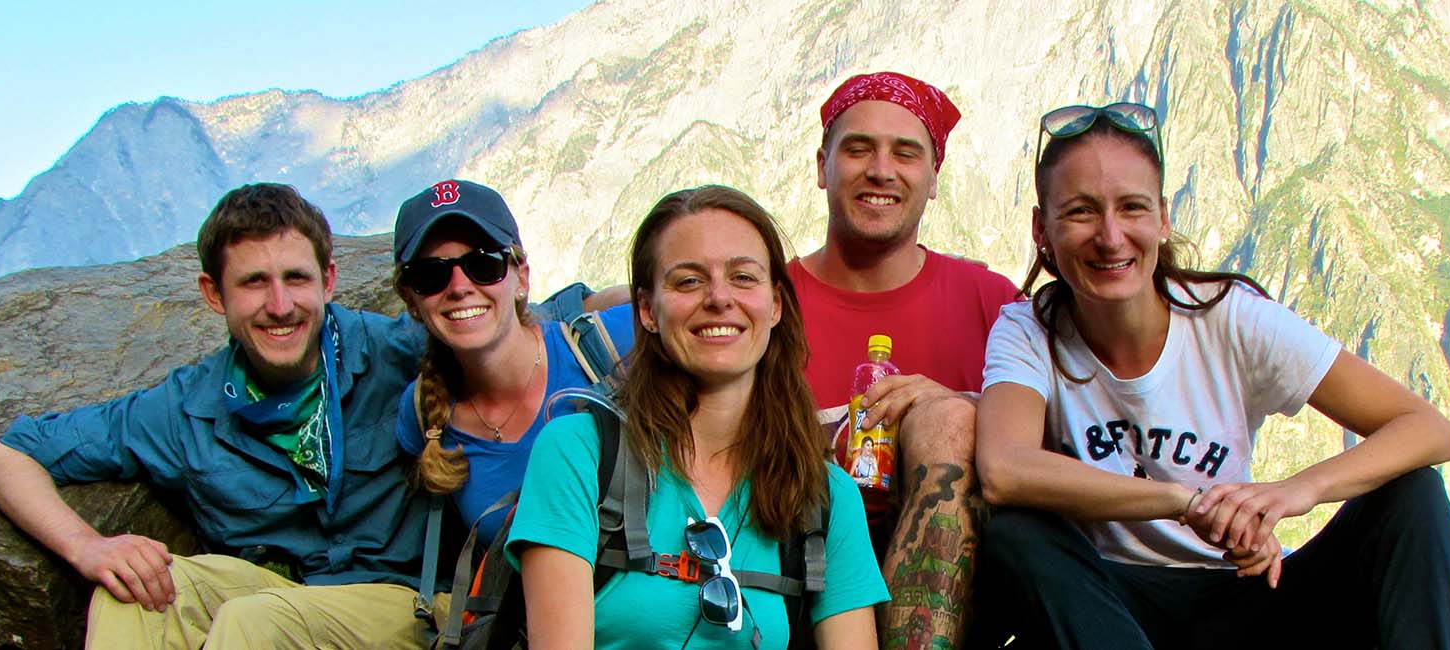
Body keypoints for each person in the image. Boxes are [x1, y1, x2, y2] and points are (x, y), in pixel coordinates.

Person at [970, 102, 1450, 648]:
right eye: (1081, 212)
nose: (1111, 237)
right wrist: (1187, 502)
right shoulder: (1028, 330)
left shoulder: (1228, 316)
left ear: (1163, 219)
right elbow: (1005, 467)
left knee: (1413, 491)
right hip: (1108, 607)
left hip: (1243, 595)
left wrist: (1292, 492)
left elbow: (1428, 430)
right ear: (1043, 229)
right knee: (1018, 532)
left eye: (1132, 208)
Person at [0, 183, 438, 648]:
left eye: (296, 278)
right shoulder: (186, 407)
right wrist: (86, 547)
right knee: (132, 594)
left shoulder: (400, 353)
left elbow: (507, 357)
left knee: (256, 622)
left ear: (328, 280)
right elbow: (6, 457)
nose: (280, 306)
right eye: (254, 282)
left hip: (401, 604)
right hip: (274, 596)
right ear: (214, 293)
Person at [507, 185, 887, 649]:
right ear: (647, 310)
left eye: (744, 278)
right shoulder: (579, 453)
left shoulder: (824, 497)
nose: (719, 298)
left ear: (775, 305)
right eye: (688, 281)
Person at [793, 71, 1019, 648]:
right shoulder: (765, 301)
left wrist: (961, 406)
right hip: (791, 575)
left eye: (906, 153)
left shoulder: (993, 304)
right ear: (823, 166)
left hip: (962, 600)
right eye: (858, 148)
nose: (881, 170)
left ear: (934, 178)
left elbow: (1061, 437)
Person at [389, 179, 636, 551]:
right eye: (431, 275)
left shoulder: (610, 345)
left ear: (521, 277)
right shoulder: (423, 412)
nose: (459, 287)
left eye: (483, 264)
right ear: (411, 299)